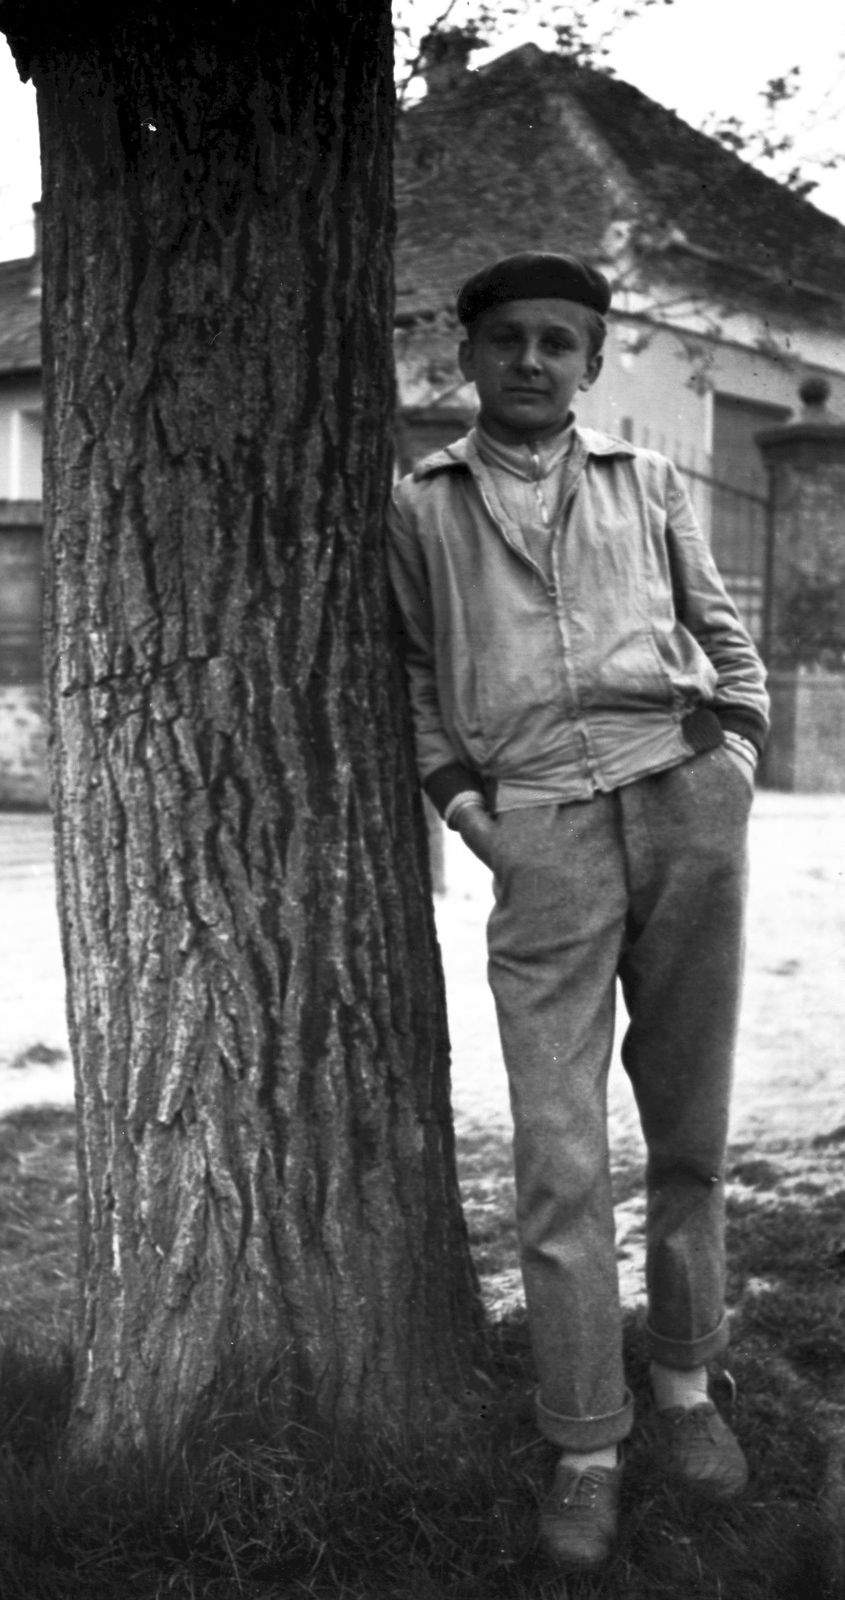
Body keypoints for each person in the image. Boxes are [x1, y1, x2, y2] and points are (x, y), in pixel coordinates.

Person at [386, 251, 769, 1571]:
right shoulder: (421, 505)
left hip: (682, 804)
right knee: (559, 1150)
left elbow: (722, 631)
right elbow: (419, 678)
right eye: (507, 339)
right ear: (468, 355)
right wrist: (469, 812)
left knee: (688, 1124)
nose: (532, 361)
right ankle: (586, 1441)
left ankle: (685, 1385)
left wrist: (733, 757)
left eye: (559, 341)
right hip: (539, 831)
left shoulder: (645, 480)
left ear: (591, 362)